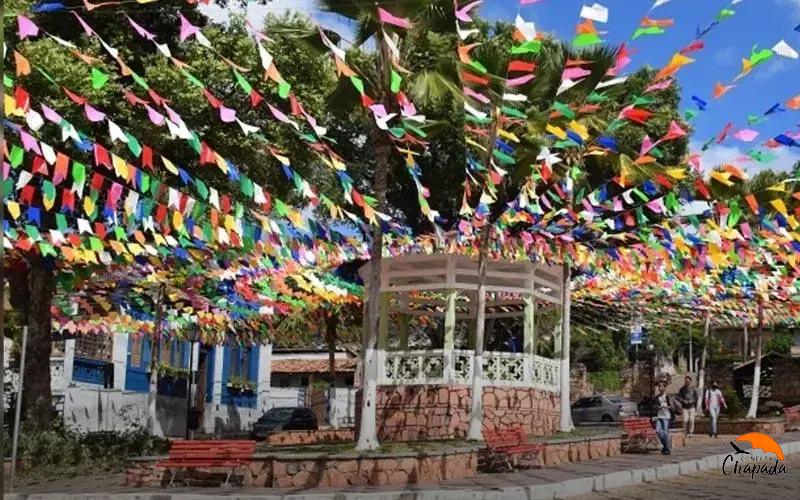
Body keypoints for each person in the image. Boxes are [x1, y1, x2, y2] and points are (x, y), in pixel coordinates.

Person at [654, 382, 676, 455]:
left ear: (664, 388)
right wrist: (658, 407)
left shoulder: (667, 396)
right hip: (660, 416)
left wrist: (666, 406)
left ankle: (666, 448)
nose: (660, 388)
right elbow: (655, 406)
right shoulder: (657, 397)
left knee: (665, 432)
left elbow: (672, 407)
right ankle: (666, 446)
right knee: (658, 431)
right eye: (659, 386)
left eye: (661, 386)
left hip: (666, 416)